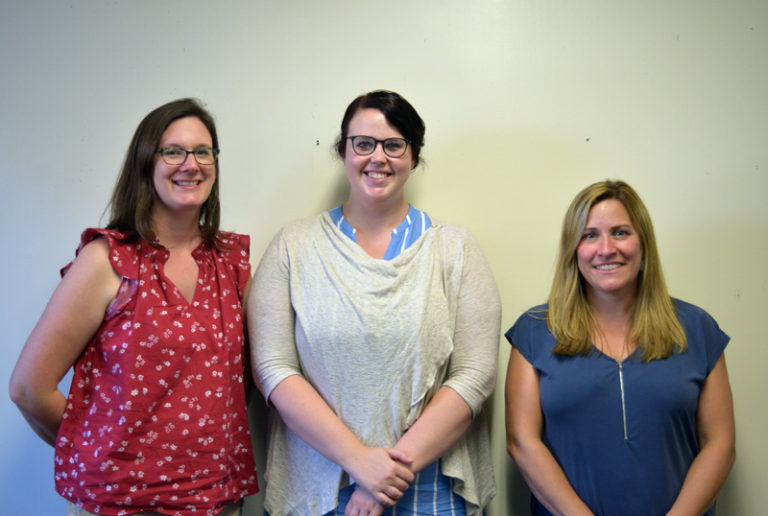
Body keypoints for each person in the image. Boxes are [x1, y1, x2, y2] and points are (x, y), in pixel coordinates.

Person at [248, 90, 500, 515]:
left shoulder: (455, 250)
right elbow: (273, 369)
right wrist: (359, 461)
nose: (377, 157)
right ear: (343, 151)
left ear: (414, 155)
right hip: (318, 490)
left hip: (429, 488)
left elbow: (474, 376)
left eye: (393, 145)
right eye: (363, 144)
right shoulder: (293, 247)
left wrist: (381, 479)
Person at [9, 99, 258, 516]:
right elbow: (28, 389)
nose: (190, 164)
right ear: (146, 162)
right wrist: (98, 448)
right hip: (121, 504)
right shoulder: (108, 260)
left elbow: (238, 381)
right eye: (173, 151)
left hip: (215, 499)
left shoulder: (231, 262)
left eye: (203, 151)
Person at [504, 180, 736, 516]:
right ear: (573, 248)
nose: (605, 249)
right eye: (590, 235)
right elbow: (522, 443)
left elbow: (720, 444)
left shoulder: (696, 329)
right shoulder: (534, 331)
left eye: (620, 233)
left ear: (643, 243)